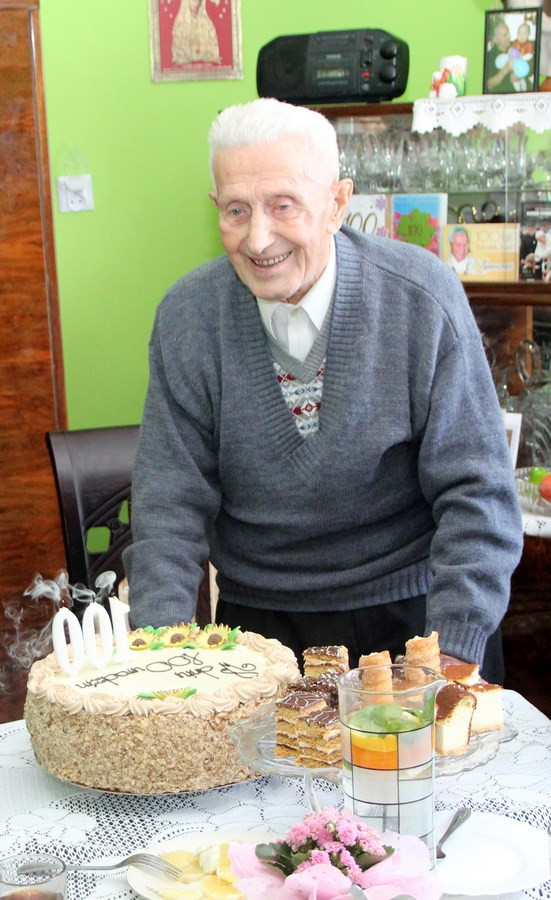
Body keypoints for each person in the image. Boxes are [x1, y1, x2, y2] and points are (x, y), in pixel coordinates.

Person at [124, 98, 523, 683]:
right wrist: (161, 658)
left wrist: (453, 653)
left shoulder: (421, 299)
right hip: (257, 635)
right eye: (237, 210)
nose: (258, 238)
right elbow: (168, 508)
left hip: (416, 625)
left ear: (337, 204)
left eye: (282, 205)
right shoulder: (187, 318)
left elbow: (478, 494)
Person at [171, 0, 220, 66]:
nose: (197, 3)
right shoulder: (179, 25)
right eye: (194, 1)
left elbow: (212, 51)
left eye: (199, 1)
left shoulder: (208, 25)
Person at [486, 19, 517, 92]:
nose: (509, 37)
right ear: (495, 39)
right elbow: (489, 85)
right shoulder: (490, 56)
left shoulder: (514, 48)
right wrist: (506, 69)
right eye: (505, 35)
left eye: (508, 33)